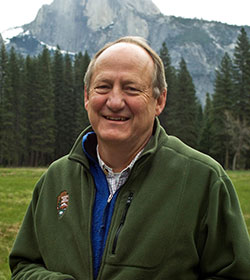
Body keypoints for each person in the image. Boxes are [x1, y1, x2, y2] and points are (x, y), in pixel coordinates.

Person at [9, 36, 250, 280]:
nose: (114, 102)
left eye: (131, 89)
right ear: (86, 96)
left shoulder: (204, 180)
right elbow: (23, 266)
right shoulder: (55, 178)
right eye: (103, 87)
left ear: (160, 100)